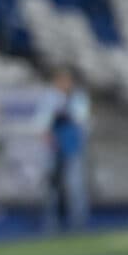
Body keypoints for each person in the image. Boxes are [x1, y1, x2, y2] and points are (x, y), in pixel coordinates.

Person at [44, 66, 91, 232]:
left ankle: (78, 223)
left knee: (75, 185)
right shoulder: (50, 97)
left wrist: (65, 109)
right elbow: (43, 122)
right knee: (52, 185)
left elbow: (81, 120)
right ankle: (52, 222)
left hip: (72, 147)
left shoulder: (77, 98)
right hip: (54, 148)